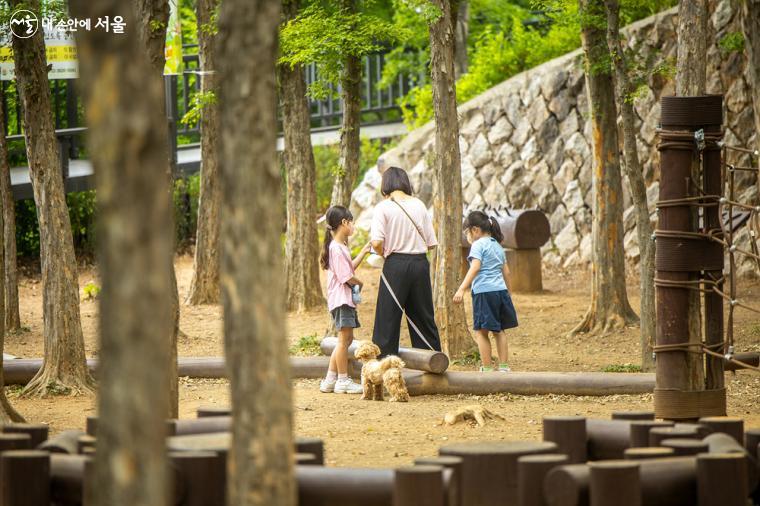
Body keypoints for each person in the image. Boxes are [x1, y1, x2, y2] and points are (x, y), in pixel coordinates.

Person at [370, 166, 442, 357]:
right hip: (419, 263)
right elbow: (431, 244)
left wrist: (383, 253)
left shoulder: (383, 207)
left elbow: (376, 242)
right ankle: (432, 361)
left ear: (385, 185)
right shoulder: (419, 204)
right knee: (423, 316)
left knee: (387, 317)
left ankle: (384, 365)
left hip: (395, 265)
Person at [454, 211, 518, 372]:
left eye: (467, 232)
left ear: (475, 230)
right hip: (500, 291)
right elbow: (507, 272)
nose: (467, 236)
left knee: (481, 332)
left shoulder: (478, 245)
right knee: (499, 330)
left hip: (484, 292)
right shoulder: (497, 245)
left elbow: (475, 267)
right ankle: (504, 367)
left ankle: (487, 368)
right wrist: (508, 293)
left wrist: (461, 289)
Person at [319, 206, 371, 394]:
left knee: (345, 340)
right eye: (352, 222)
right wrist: (360, 283)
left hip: (341, 299)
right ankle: (343, 380)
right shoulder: (336, 249)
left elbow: (349, 269)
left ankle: (330, 379)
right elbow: (346, 276)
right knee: (344, 340)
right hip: (342, 299)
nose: (353, 226)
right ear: (344, 223)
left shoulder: (339, 247)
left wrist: (364, 251)